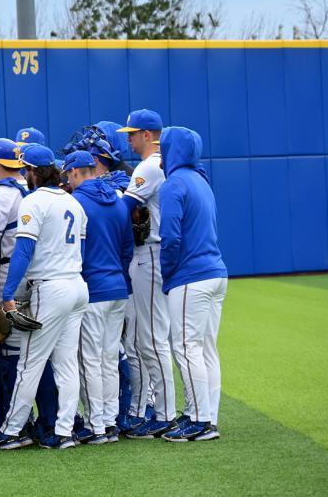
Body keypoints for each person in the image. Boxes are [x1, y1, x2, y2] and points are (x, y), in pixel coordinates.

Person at [0, 145, 90, 450]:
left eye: (27, 169)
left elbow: (23, 252)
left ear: (34, 172)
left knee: (29, 363)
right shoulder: (74, 202)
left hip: (51, 287)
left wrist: (8, 294)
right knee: (66, 364)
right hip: (76, 284)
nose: (25, 174)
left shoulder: (34, 201)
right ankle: (64, 431)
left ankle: (11, 431)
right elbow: (83, 252)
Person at [158, 126, 227, 442]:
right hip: (216, 273)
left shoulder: (174, 184)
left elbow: (170, 237)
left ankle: (200, 421)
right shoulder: (202, 180)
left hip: (191, 276)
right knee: (206, 349)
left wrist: (168, 273)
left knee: (186, 347)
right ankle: (208, 415)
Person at [66, 150, 133, 445]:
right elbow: (128, 247)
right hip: (118, 286)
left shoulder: (77, 202)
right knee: (108, 359)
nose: (68, 179)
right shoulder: (118, 202)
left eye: (69, 174)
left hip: (93, 288)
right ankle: (109, 421)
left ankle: (97, 426)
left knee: (91, 360)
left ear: (78, 172)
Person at [118, 108, 178, 437]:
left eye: (132, 133)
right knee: (148, 338)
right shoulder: (162, 164)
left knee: (152, 338)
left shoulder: (150, 165)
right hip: (152, 253)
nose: (128, 138)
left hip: (151, 253)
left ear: (147, 135)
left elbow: (123, 210)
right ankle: (157, 409)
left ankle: (165, 413)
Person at [0, 138, 27, 435]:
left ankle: (9, 421)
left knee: (6, 346)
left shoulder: (1, 194)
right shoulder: (26, 186)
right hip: (26, 270)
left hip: (5, 272)